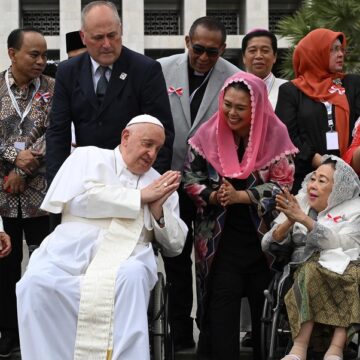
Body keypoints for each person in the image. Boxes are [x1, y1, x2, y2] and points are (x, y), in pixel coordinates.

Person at [16, 115, 187, 360]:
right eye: (147, 144)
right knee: (34, 284)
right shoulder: (87, 157)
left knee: (132, 276)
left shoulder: (159, 184)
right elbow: (78, 202)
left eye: (157, 149)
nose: (152, 154)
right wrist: (139, 197)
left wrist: (158, 211)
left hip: (128, 255)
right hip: (70, 248)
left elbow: (175, 246)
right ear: (126, 137)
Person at [183, 71, 298, 359]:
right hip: (220, 246)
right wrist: (212, 195)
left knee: (264, 321)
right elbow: (190, 177)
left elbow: (283, 185)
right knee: (222, 317)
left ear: (256, 108)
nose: (231, 113)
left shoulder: (275, 134)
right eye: (227, 104)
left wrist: (242, 196)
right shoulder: (207, 134)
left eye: (240, 107)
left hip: (265, 245)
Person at [157, 16, 239, 350]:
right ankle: (178, 332)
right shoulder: (161, 69)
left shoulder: (234, 77)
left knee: (209, 261)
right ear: (188, 41)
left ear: (223, 49)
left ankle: (208, 332)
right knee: (175, 256)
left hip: (209, 185)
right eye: (199, 49)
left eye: (212, 52)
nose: (204, 58)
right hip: (169, 178)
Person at [46, 0, 174, 186]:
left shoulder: (145, 70)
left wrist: (152, 186)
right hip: (85, 178)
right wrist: (57, 186)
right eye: (98, 38)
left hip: (133, 179)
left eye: (112, 35)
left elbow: (162, 133)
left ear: (120, 30)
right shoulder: (68, 71)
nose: (107, 44)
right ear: (83, 37)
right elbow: (58, 132)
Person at [262, 155, 360, 360]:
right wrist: (290, 220)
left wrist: (305, 220)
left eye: (322, 181)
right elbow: (267, 244)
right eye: (313, 178)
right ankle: (299, 348)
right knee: (310, 270)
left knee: (356, 276)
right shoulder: (299, 201)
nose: (313, 185)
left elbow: (343, 243)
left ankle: (336, 349)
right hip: (303, 268)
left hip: (345, 267)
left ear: (339, 188)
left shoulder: (354, 209)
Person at [0, 27, 54, 357]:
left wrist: (23, 168)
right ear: (12, 53)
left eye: (45, 55)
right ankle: (9, 329)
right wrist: (11, 156)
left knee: (43, 265)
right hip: (2, 197)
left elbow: (59, 130)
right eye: (34, 54)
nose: (41, 61)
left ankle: (42, 328)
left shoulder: (53, 88)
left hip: (40, 197)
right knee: (5, 266)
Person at [275, 28, 360, 193]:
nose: (341, 54)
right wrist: (321, 163)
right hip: (308, 179)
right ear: (315, 52)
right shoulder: (291, 90)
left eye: (341, 49)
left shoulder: (352, 84)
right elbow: (286, 135)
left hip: (351, 177)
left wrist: (345, 167)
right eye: (333, 50)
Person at [242, 28, 287, 109]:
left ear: (274, 57)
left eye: (265, 51)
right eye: (252, 51)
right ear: (244, 57)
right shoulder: (232, 89)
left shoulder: (288, 89)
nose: (259, 56)